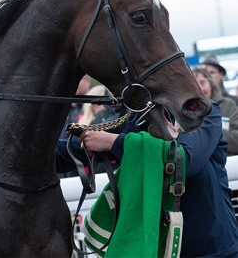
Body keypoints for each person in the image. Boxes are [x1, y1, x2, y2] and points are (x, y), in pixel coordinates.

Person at [56, 102, 238, 257]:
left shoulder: (201, 108)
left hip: (213, 248)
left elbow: (185, 161)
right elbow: (64, 153)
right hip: (153, 247)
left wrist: (115, 143)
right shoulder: (134, 118)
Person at [193, 66, 238, 155]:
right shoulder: (184, 112)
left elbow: (236, 141)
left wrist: (206, 130)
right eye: (194, 84)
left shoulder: (228, 105)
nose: (200, 89)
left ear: (211, 84)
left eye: (203, 83)